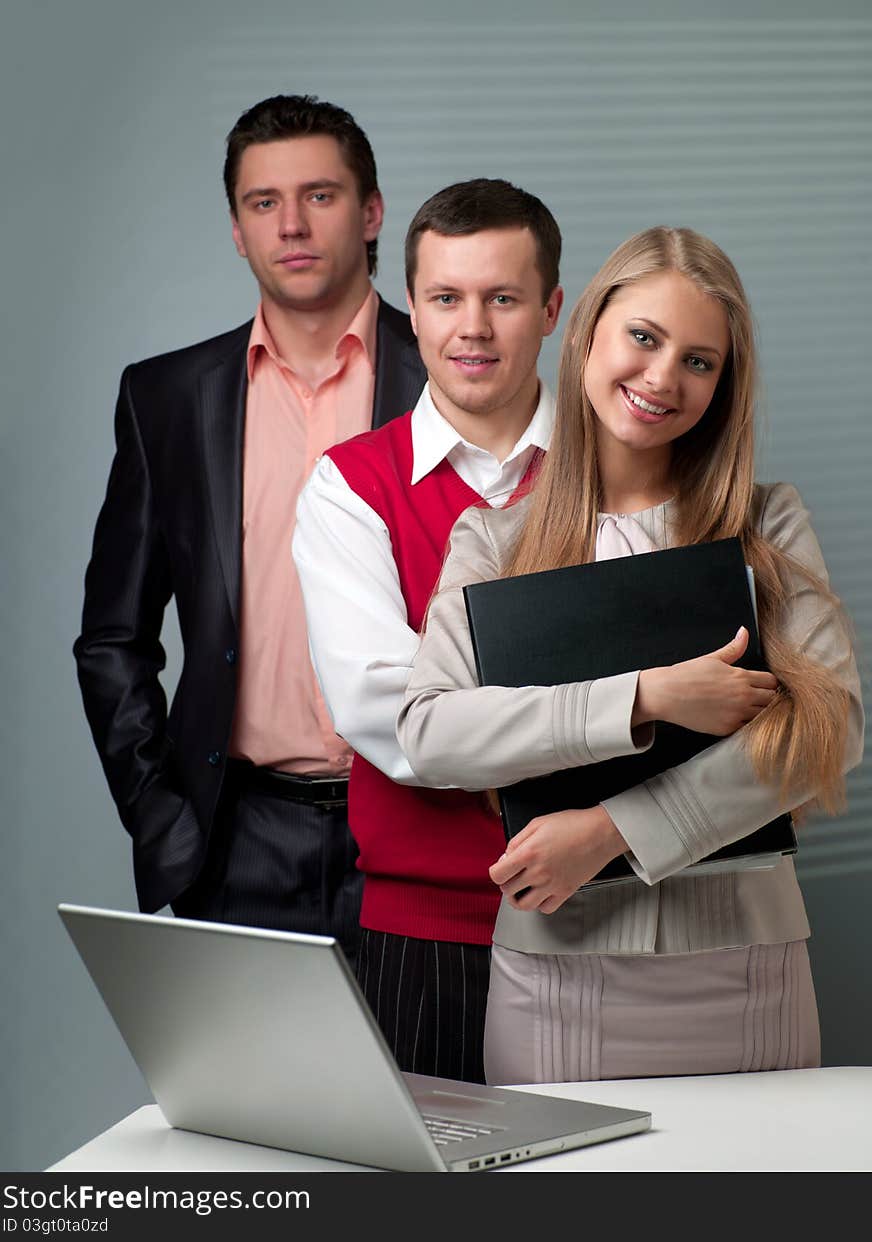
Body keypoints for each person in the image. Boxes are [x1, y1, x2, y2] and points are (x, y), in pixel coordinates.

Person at [397, 226, 864, 1084]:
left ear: (724, 388)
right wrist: (642, 699)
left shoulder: (769, 525)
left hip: (747, 966)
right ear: (585, 333)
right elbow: (429, 733)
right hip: (554, 971)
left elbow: (829, 732)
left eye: (699, 361)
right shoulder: (493, 540)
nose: (661, 378)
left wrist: (611, 832)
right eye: (643, 338)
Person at [74, 95, 424, 965]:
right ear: (237, 228)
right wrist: (162, 814)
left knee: (437, 1096)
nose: (292, 224)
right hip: (237, 838)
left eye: (321, 195)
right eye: (263, 203)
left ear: (373, 211)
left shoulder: (448, 379)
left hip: (423, 824)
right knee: (258, 1105)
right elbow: (112, 638)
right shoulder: (167, 399)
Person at [293, 179, 563, 1081]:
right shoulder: (349, 487)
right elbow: (393, 714)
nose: (473, 327)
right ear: (414, 309)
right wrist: (601, 723)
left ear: (553, 309)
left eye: (503, 298)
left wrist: (483, 724)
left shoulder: (627, 470)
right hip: (428, 931)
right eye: (447, 298)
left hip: (618, 920)